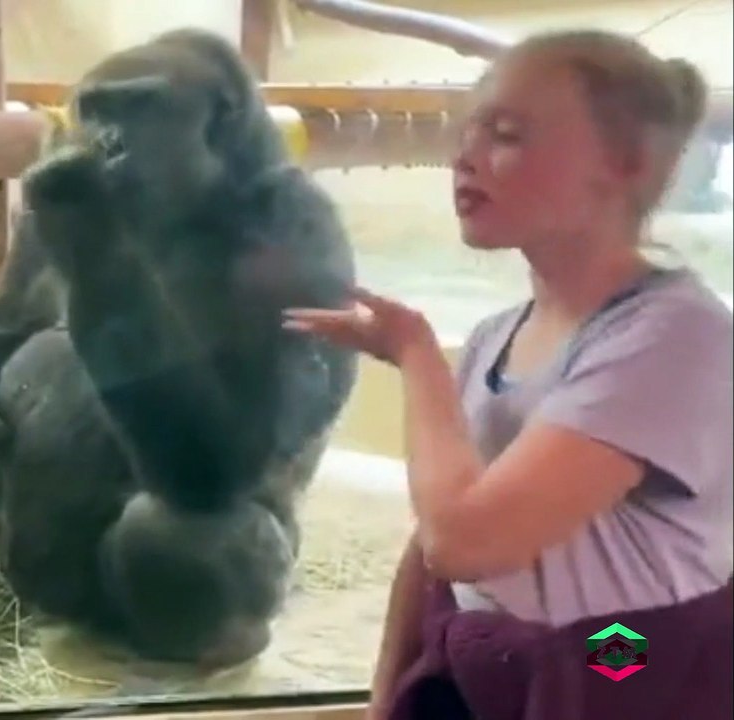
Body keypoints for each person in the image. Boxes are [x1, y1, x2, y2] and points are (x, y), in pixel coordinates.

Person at [283, 29, 732, 720]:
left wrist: (415, 356)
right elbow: (430, 542)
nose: (462, 159)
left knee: (617, 659)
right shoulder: (499, 334)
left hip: (625, 664)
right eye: (464, 133)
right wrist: (385, 697)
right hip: (492, 664)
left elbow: (465, 541)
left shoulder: (675, 335)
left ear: (626, 162)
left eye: (505, 134)